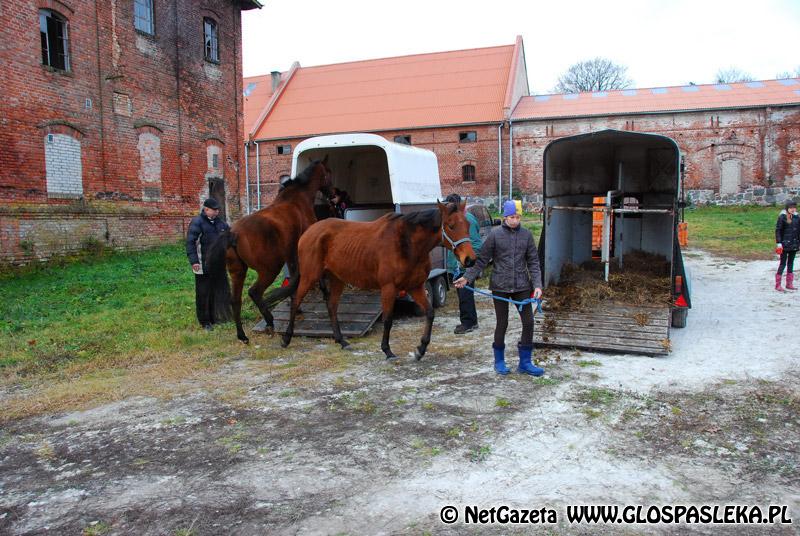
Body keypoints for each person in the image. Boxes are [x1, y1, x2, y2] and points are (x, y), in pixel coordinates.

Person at [454, 200, 544, 376]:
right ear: (505, 217)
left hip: (522, 286)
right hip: (500, 286)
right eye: (512, 217)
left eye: (518, 217)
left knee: (528, 322)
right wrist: (467, 277)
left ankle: (525, 362)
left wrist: (538, 285)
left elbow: (533, 262)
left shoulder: (526, 235)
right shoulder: (495, 235)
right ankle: (499, 361)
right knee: (502, 323)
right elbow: (481, 260)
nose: (515, 220)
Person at [186, 198, 230, 330]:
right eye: (214, 210)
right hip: (201, 264)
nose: (217, 212)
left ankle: (214, 318)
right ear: (206, 209)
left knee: (215, 292)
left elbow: (229, 238)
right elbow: (190, 243)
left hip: (218, 265)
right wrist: (194, 261)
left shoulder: (221, 224)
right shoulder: (197, 222)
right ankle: (204, 321)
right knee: (203, 293)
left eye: (217, 210)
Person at [444, 193, 483, 334]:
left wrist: (467, 263)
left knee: (466, 295)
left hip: (465, 266)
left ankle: (468, 323)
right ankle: (469, 321)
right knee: (462, 295)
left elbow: (476, 244)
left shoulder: (468, 219)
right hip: (457, 266)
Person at [775, 199, 800, 292]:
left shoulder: (797, 217)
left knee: (791, 263)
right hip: (784, 245)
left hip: (794, 244)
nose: (793, 209)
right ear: (787, 208)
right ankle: (778, 285)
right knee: (782, 263)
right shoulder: (782, 217)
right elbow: (778, 230)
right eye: (791, 207)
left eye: (794, 207)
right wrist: (779, 243)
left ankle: (789, 284)